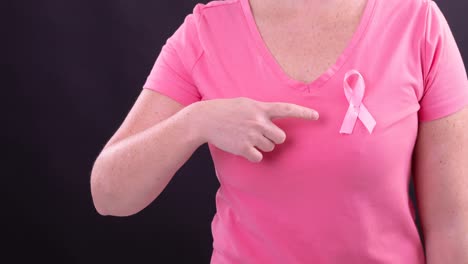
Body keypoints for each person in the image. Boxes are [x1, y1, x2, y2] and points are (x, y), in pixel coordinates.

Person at [90, 0, 468, 262]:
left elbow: (453, 224)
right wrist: (196, 121)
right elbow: (109, 194)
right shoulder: (205, 34)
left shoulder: (417, 23)